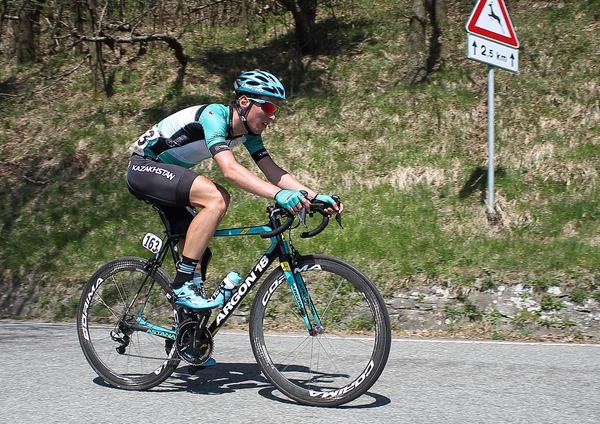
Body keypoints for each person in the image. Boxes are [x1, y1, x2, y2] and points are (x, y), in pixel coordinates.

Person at [126, 70, 343, 310]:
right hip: (144, 168)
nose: (272, 117)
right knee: (216, 198)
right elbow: (229, 170)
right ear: (244, 102)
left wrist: (313, 196)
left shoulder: (247, 133)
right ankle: (180, 286)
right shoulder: (213, 116)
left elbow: (273, 171)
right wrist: (278, 195)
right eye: (268, 108)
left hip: (170, 177)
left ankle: (187, 335)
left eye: (276, 110)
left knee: (198, 254)